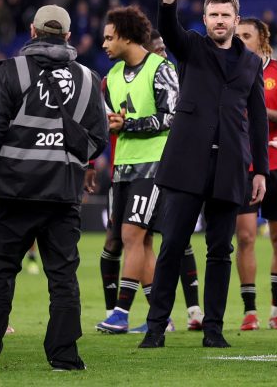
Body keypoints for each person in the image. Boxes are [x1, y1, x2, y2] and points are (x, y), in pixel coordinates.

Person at [139, 0, 268, 349]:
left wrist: (260, 169)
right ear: (205, 18)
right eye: (212, 14)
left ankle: (214, 330)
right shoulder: (190, 46)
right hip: (185, 164)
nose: (218, 20)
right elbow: (167, 24)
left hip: (231, 166)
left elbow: (259, 117)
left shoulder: (251, 63)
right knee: (172, 247)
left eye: (225, 15)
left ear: (236, 19)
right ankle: (156, 328)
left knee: (220, 251)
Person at [0, 5, 108, 371]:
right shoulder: (90, 78)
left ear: (32, 31)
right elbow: (99, 139)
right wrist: (69, 157)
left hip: (14, 190)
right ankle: (64, 356)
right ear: (68, 36)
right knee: (63, 277)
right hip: (63, 193)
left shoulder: (11, 70)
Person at [98, 28, 204, 331]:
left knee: (150, 238)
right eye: (157, 48)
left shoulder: (165, 72)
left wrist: (130, 123)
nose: (163, 53)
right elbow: (107, 121)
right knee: (134, 240)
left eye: (109, 37)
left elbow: (173, 116)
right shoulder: (113, 76)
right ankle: (160, 315)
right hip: (122, 166)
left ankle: (122, 311)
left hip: (156, 166)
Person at [234, 17, 277, 331]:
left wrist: (255, 108)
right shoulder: (227, 71)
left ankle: (276, 310)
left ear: (262, 39)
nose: (240, 40)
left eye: (246, 35)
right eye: (237, 36)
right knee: (244, 237)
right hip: (241, 167)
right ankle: (250, 311)